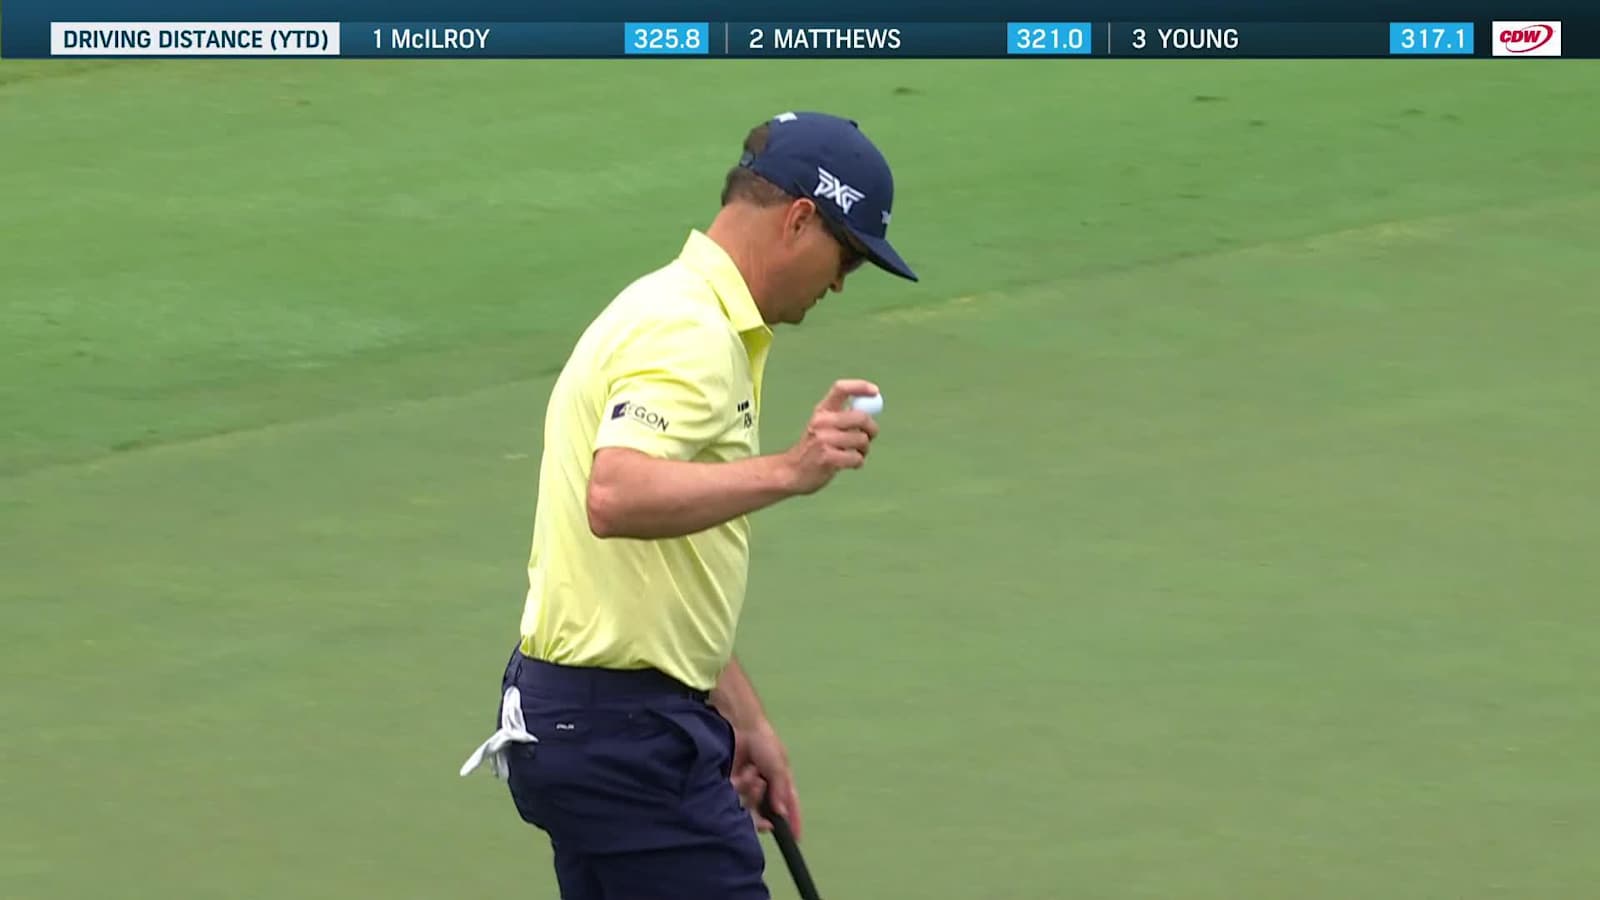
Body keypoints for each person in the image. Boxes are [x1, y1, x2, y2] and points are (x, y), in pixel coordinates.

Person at [459, 110, 917, 900]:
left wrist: (743, 719)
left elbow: (665, 570)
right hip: (622, 736)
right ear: (801, 220)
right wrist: (793, 469)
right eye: (846, 258)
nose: (840, 283)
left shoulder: (671, 307)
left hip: (587, 719)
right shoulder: (689, 331)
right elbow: (617, 493)